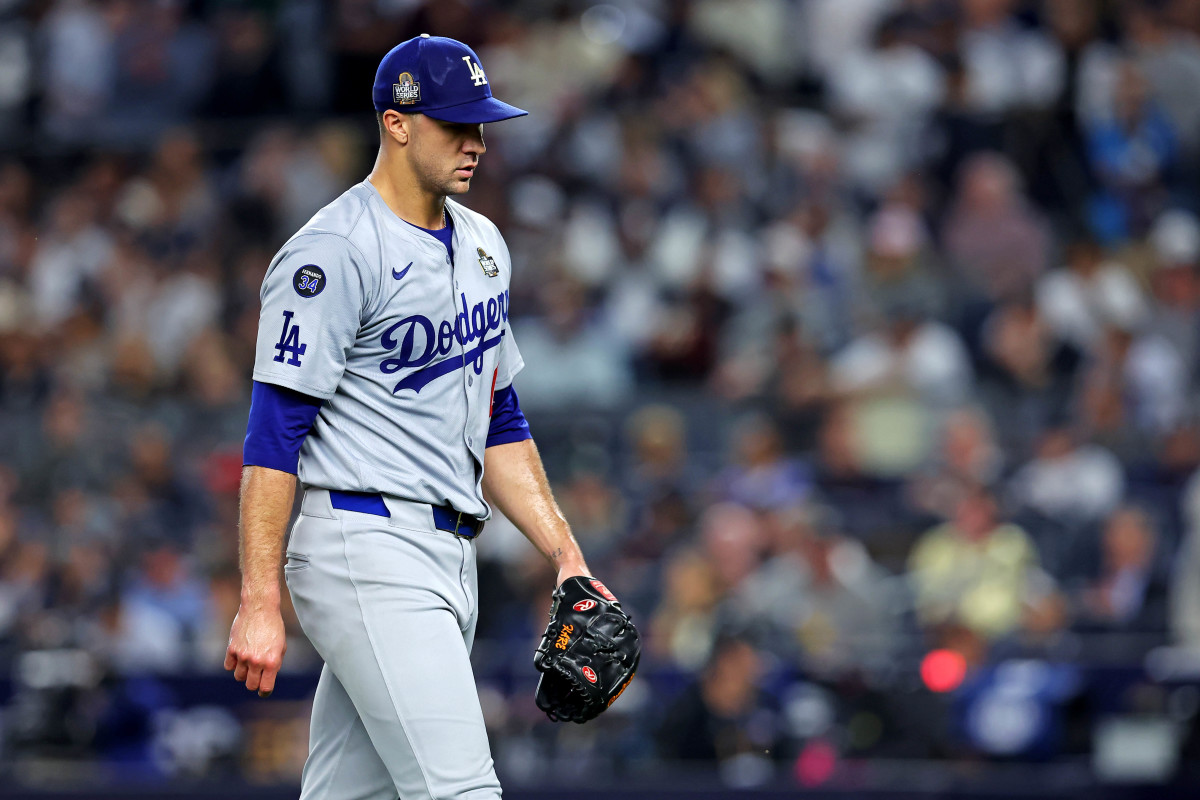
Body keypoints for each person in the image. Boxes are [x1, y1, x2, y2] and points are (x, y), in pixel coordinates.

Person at [223, 35, 606, 800]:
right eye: (454, 125)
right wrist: (258, 600)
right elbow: (273, 435)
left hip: (447, 557)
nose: (475, 142)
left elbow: (498, 419)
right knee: (463, 792)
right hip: (364, 544)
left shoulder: (485, 244)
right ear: (396, 123)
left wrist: (566, 554)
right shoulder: (333, 250)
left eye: (481, 124)